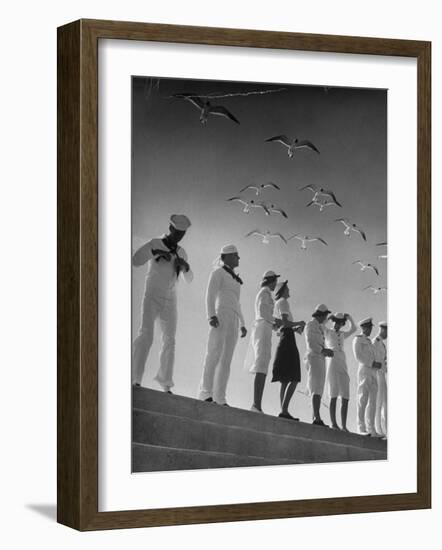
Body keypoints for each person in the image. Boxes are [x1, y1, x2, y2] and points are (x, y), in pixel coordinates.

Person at [131, 214, 192, 392]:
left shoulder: (182, 252)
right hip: (152, 296)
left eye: (182, 234)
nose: (179, 236)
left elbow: (189, 279)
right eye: (177, 232)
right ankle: (135, 378)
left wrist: (185, 266)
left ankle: (166, 383)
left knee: (170, 340)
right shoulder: (155, 243)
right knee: (146, 335)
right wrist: (155, 252)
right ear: (171, 228)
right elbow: (135, 261)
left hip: (171, 300)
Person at [198, 245, 247, 405]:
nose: (238, 258)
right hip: (221, 315)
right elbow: (210, 294)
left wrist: (242, 323)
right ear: (226, 257)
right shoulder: (218, 273)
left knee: (226, 360)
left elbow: (237, 303)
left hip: (233, 318)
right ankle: (206, 393)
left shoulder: (235, 279)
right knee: (214, 353)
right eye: (236, 255)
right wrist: (210, 315)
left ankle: (220, 397)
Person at [271, 281, 306, 420]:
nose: (289, 289)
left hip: (285, 337)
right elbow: (285, 323)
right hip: (288, 339)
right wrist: (299, 323)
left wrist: (294, 328)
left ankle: (284, 410)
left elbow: (281, 325)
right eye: (287, 288)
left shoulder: (279, 302)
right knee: (294, 376)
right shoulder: (284, 301)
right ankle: (284, 410)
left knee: (285, 379)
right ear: (283, 290)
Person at [248, 270, 282, 413]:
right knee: (261, 365)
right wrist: (277, 320)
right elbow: (263, 313)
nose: (276, 283)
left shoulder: (267, 293)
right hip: (262, 329)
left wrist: (274, 324)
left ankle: (257, 404)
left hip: (265, 329)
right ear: (270, 280)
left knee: (263, 365)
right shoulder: (264, 293)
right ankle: (256, 405)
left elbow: (266, 315)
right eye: (274, 280)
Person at [324, 312, 357, 431]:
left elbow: (354, 328)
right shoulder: (328, 332)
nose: (337, 324)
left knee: (345, 395)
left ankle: (344, 425)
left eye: (340, 322)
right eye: (335, 322)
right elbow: (321, 326)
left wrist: (349, 318)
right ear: (333, 322)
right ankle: (334, 423)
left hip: (342, 362)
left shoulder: (343, 334)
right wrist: (329, 318)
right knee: (333, 392)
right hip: (332, 361)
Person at [352, 317, 383, 436]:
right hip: (364, 370)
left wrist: (377, 363)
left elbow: (373, 356)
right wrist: (371, 363)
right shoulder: (358, 339)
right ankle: (361, 428)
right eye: (369, 327)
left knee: (372, 401)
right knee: (362, 399)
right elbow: (358, 356)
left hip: (373, 372)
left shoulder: (369, 342)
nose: (370, 330)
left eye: (371, 328)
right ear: (363, 328)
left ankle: (372, 429)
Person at [304, 304, 334, 426]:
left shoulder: (320, 326)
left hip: (320, 358)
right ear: (320, 315)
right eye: (325, 315)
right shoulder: (311, 325)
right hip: (314, 357)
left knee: (319, 388)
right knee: (315, 387)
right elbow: (311, 343)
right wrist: (323, 351)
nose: (326, 317)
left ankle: (315, 416)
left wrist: (325, 350)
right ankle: (316, 417)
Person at [373, 321, 388, 438]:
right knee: (378, 403)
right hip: (377, 375)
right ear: (383, 329)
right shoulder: (376, 342)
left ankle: (386, 430)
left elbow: (384, 360)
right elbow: (375, 360)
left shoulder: (382, 344)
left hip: (382, 374)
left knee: (385, 403)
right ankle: (378, 429)